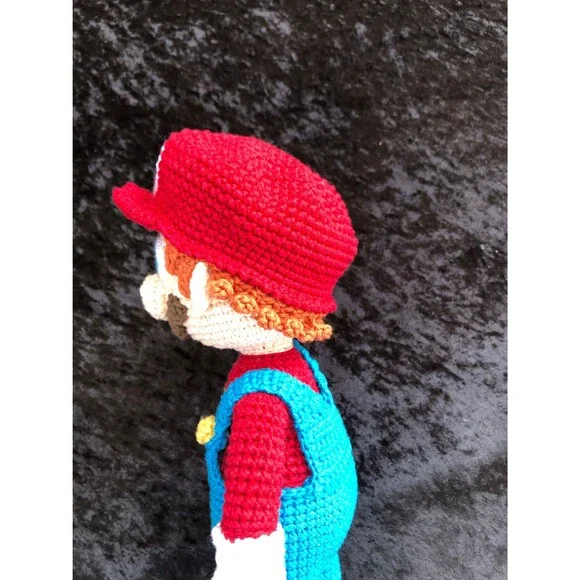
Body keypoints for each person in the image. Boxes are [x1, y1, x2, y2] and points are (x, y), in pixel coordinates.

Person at [113, 129, 359, 580]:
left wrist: (242, 569)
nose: (164, 298)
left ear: (237, 296)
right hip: (318, 550)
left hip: (282, 559)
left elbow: (251, 515)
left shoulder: (260, 401)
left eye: (176, 282)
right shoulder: (294, 367)